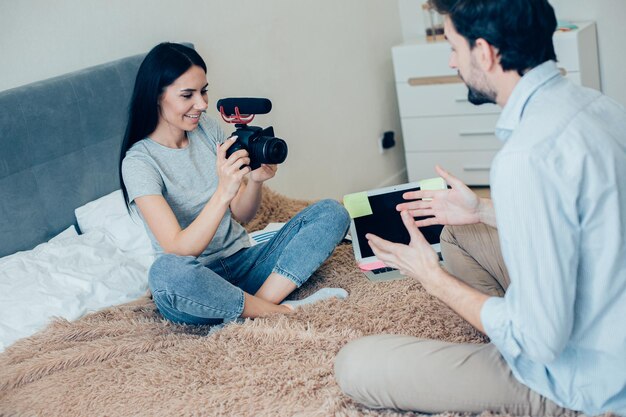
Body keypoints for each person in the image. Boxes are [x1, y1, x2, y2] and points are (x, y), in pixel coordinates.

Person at [334, 0, 626, 416]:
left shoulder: (526, 156)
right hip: (611, 322)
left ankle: (504, 369)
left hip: (582, 383)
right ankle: (498, 335)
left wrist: (431, 277)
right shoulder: (601, 107)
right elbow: (589, 223)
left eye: (454, 46)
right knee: (459, 233)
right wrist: (483, 211)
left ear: (485, 52)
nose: (452, 61)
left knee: (354, 364)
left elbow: (542, 341)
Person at [119, 42, 351, 326]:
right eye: (187, 95)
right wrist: (222, 192)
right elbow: (179, 249)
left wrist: (254, 182)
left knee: (331, 212)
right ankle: (279, 312)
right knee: (165, 272)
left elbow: (241, 215)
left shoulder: (207, 130)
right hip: (196, 280)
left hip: (242, 262)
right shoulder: (139, 163)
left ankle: (254, 309)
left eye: (204, 91)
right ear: (156, 96)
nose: (202, 104)